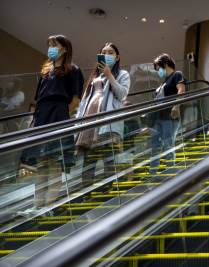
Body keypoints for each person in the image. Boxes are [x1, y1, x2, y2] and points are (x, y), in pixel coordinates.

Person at [19, 34, 84, 216]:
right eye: (49, 45)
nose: (51, 48)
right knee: (42, 162)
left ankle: (49, 206)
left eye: (54, 44)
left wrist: (63, 118)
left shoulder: (73, 70)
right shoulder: (45, 71)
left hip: (58, 115)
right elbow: (37, 98)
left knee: (54, 161)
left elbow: (75, 100)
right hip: (42, 116)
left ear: (64, 48)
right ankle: (36, 206)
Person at [76, 42, 130, 188]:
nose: (107, 55)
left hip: (107, 121)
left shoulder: (123, 74)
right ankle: (85, 192)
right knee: (89, 160)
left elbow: (122, 94)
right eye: (104, 52)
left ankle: (109, 191)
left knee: (108, 157)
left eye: (111, 52)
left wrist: (109, 75)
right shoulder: (94, 76)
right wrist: (78, 122)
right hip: (90, 120)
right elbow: (84, 100)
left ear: (117, 57)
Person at [149, 53, 185, 175]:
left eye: (158, 68)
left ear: (165, 64)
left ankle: (170, 172)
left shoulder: (176, 75)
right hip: (158, 118)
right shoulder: (164, 82)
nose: (158, 71)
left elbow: (181, 90)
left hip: (170, 117)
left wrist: (176, 105)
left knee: (168, 144)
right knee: (155, 146)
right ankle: (152, 173)